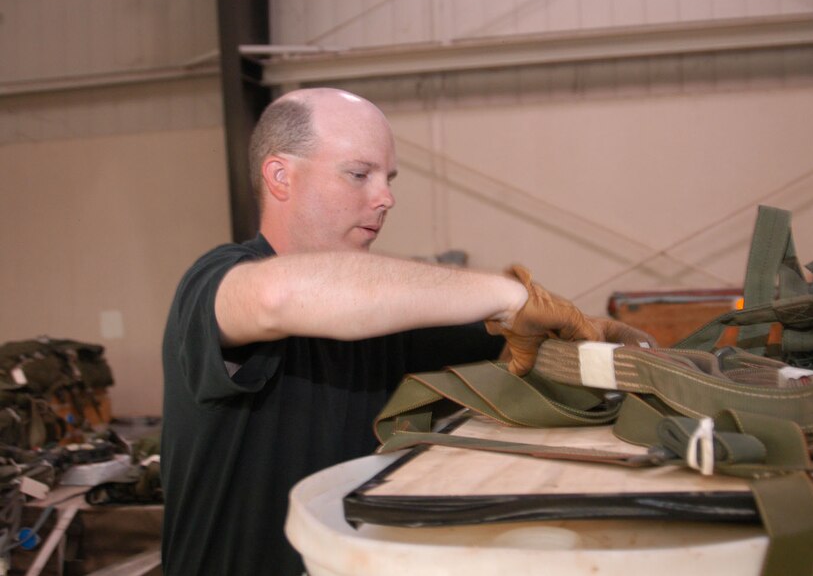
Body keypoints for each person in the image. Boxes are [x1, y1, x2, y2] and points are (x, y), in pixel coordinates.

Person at [160, 88, 649, 575]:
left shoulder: (391, 324)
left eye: (388, 178)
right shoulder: (214, 283)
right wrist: (512, 295)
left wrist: (593, 342)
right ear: (281, 176)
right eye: (358, 174)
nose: (386, 197)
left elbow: (518, 350)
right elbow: (278, 298)